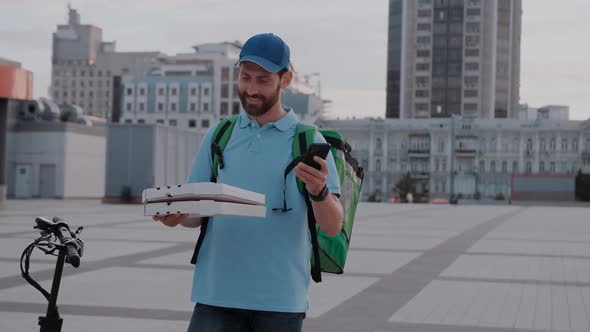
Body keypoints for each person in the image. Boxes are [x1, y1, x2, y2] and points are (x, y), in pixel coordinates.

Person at [153, 33, 343, 332]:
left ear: (286, 79)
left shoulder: (307, 141)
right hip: (216, 296)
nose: (251, 89)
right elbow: (196, 212)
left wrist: (319, 192)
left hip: (280, 302)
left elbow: (332, 227)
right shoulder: (219, 135)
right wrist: (176, 217)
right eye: (245, 78)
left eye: (263, 80)